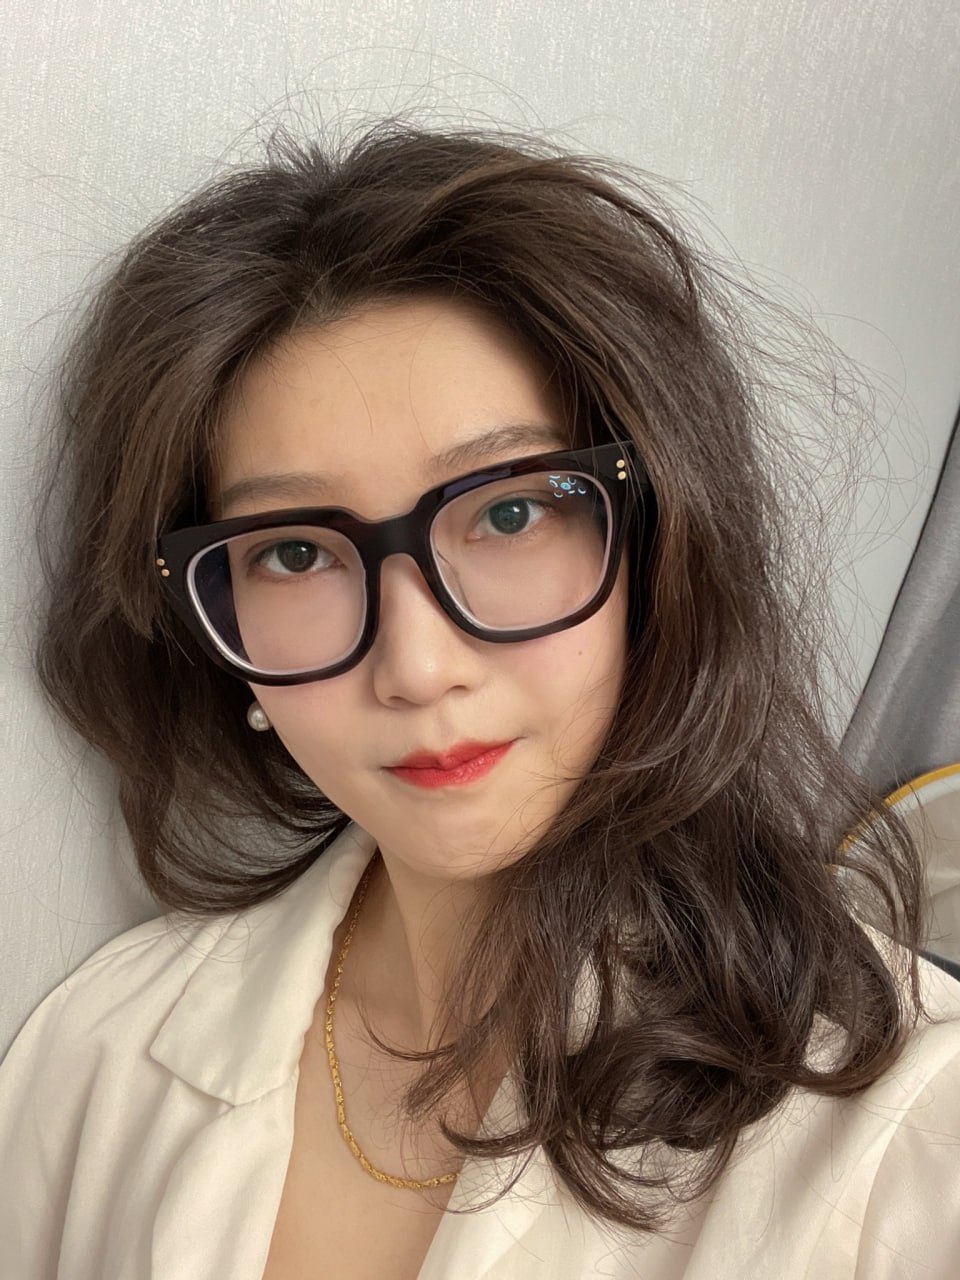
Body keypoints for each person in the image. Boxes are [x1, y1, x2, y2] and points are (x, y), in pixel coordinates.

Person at [1, 121, 958, 1280]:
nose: (416, 664)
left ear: (658, 547)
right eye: (295, 552)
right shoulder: (95, 1056)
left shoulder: (910, 1141)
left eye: (508, 513)